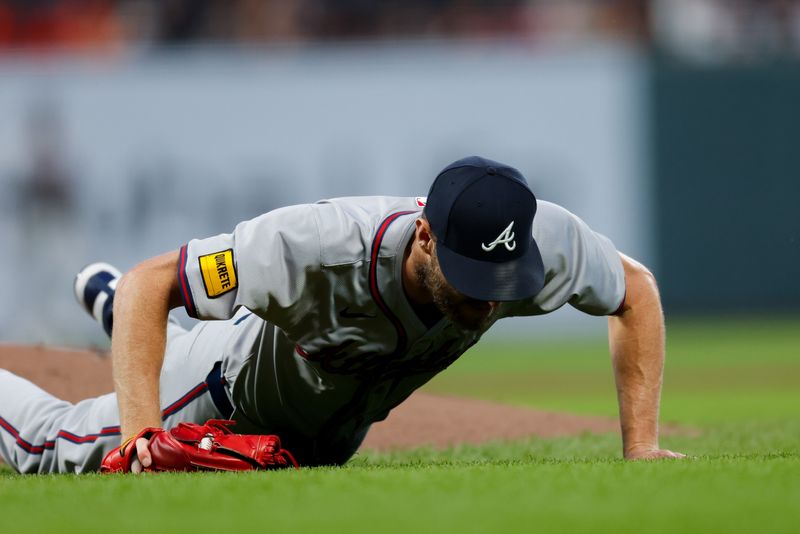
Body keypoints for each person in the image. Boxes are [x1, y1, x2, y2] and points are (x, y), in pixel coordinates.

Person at [0, 156, 684, 474]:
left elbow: (636, 291)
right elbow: (158, 281)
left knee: (143, 311)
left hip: (324, 435)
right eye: (473, 279)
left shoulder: (538, 249)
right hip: (224, 392)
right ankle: (115, 312)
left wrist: (641, 446)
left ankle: (108, 303)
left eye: (502, 284)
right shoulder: (313, 246)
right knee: (46, 446)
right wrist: (143, 436)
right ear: (424, 237)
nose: (488, 302)